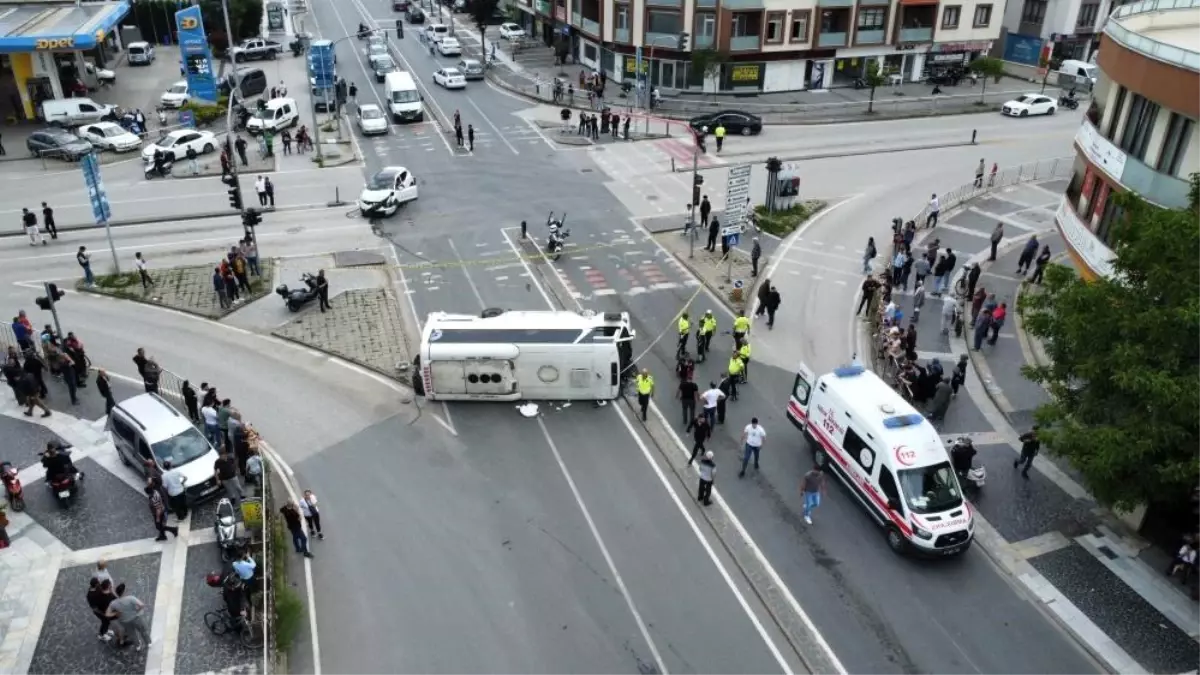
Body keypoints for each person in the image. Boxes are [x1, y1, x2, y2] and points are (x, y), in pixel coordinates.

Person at [107, 583, 150, 651]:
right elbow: (142, 605)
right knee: (143, 630)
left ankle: (137, 646)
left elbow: (107, 614)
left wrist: (116, 613)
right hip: (136, 618)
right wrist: (137, 610)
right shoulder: (131, 598)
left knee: (132, 634)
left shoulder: (113, 603)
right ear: (124, 591)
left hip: (125, 621)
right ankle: (148, 643)